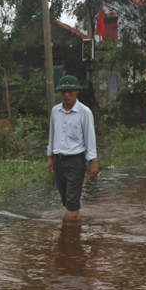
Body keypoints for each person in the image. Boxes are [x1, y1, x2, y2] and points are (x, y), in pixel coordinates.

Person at [47, 75, 98, 219]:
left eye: (70, 91)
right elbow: (52, 134)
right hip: (58, 160)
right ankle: (74, 217)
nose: (66, 95)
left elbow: (90, 137)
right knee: (65, 197)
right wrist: (50, 156)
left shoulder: (84, 112)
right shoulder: (55, 111)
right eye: (63, 92)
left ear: (77, 91)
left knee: (71, 199)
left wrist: (93, 161)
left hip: (76, 160)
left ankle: (70, 235)